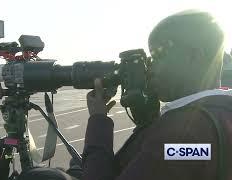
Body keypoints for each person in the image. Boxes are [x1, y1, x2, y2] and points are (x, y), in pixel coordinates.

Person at [82, 10, 232, 180]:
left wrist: (98, 121)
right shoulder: (221, 112)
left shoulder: (181, 137)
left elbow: (173, 154)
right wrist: (148, 123)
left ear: (194, 56)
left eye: (158, 56)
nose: (149, 68)